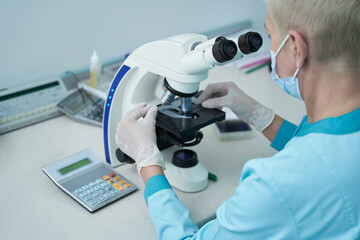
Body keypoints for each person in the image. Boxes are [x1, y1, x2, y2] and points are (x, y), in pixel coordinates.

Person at [115, 0, 360, 238]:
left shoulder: (275, 185)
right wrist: (262, 116)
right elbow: (324, 152)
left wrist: (147, 163)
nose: (272, 49)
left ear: (296, 47)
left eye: (271, 36)